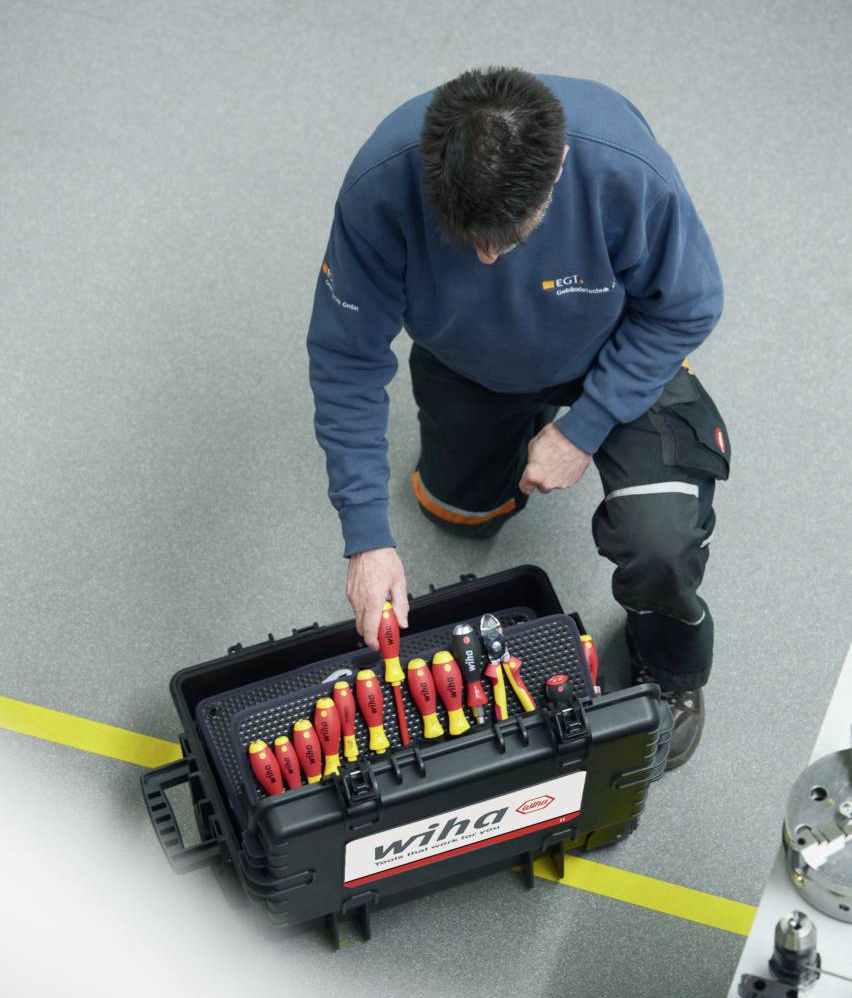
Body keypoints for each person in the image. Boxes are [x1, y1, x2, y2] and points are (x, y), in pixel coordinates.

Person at [306, 67, 730, 769]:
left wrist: (583, 427)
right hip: (469, 359)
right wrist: (364, 538)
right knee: (456, 514)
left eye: (513, 234)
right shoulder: (379, 188)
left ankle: (673, 666)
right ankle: (494, 442)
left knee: (659, 540)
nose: (486, 255)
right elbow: (346, 362)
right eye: (467, 234)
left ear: (560, 166)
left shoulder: (625, 170)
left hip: (614, 350)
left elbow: (689, 304)